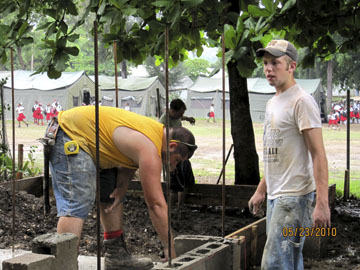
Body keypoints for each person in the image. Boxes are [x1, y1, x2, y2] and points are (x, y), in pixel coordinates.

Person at [48, 106, 197, 270]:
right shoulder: (150, 147)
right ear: (172, 146)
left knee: (112, 194)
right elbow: (156, 204)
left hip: (92, 140)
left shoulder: (152, 134)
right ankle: (65, 265)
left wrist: (121, 186)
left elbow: (127, 159)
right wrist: (169, 248)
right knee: (76, 201)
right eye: (177, 160)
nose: (174, 167)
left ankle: (116, 256)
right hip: (71, 132)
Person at [248, 39, 331, 270]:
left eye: (275, 63)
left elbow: (318, 154)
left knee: (274, 264)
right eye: (265, 63)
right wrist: (261, 190)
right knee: (289, 262)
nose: (268, 69)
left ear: (291, 66)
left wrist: (322, 203)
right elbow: (277, 154)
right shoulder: (273, 102)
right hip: (277, 196)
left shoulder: (301, 101)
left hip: (294, 197)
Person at [159, 99, 196, 207]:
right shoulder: (163, 121)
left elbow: (180, 117)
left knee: (184, 179)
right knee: (174, 183)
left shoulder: (176, 116)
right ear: (172, 111)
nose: (182, 115)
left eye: (183, 113)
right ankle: (171, 207)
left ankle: (180, 206)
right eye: (180, 113)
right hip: (172, 155)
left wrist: (187, 118)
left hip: (180, 152)